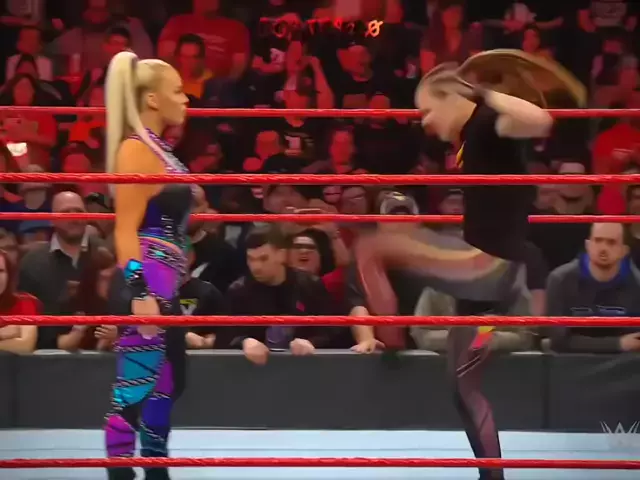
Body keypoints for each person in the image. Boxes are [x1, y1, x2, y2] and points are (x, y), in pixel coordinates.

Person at [353, 51, 586, 480]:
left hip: (486, 267)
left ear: (452, 97)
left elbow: (540, 121)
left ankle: (391, 340)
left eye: (427, 110)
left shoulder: (485, 124)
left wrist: (478, 92)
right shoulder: (470, 139)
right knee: (463, 387)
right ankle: (492, 477)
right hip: (484, 292)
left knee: (371, 247)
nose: (424, 122)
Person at [103, 50, 190, 480]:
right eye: (177, 90)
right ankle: (120, 473)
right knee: (134, 391)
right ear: (153, 99)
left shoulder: (160, 150)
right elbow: (124, 229)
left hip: (164, 282)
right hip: (148, 281)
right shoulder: (136, 150)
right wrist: (140, 291)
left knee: (167, 385)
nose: (186, 98)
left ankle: (156, 470)